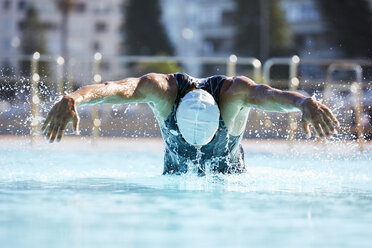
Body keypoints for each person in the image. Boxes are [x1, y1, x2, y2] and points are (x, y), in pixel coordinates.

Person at [42, 72, 339, 175]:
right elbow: (118, 88)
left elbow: (266, 94)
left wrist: (303, 102)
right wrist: (76, 97)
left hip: (230, 184)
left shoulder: (232, 95)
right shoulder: (161, 91)